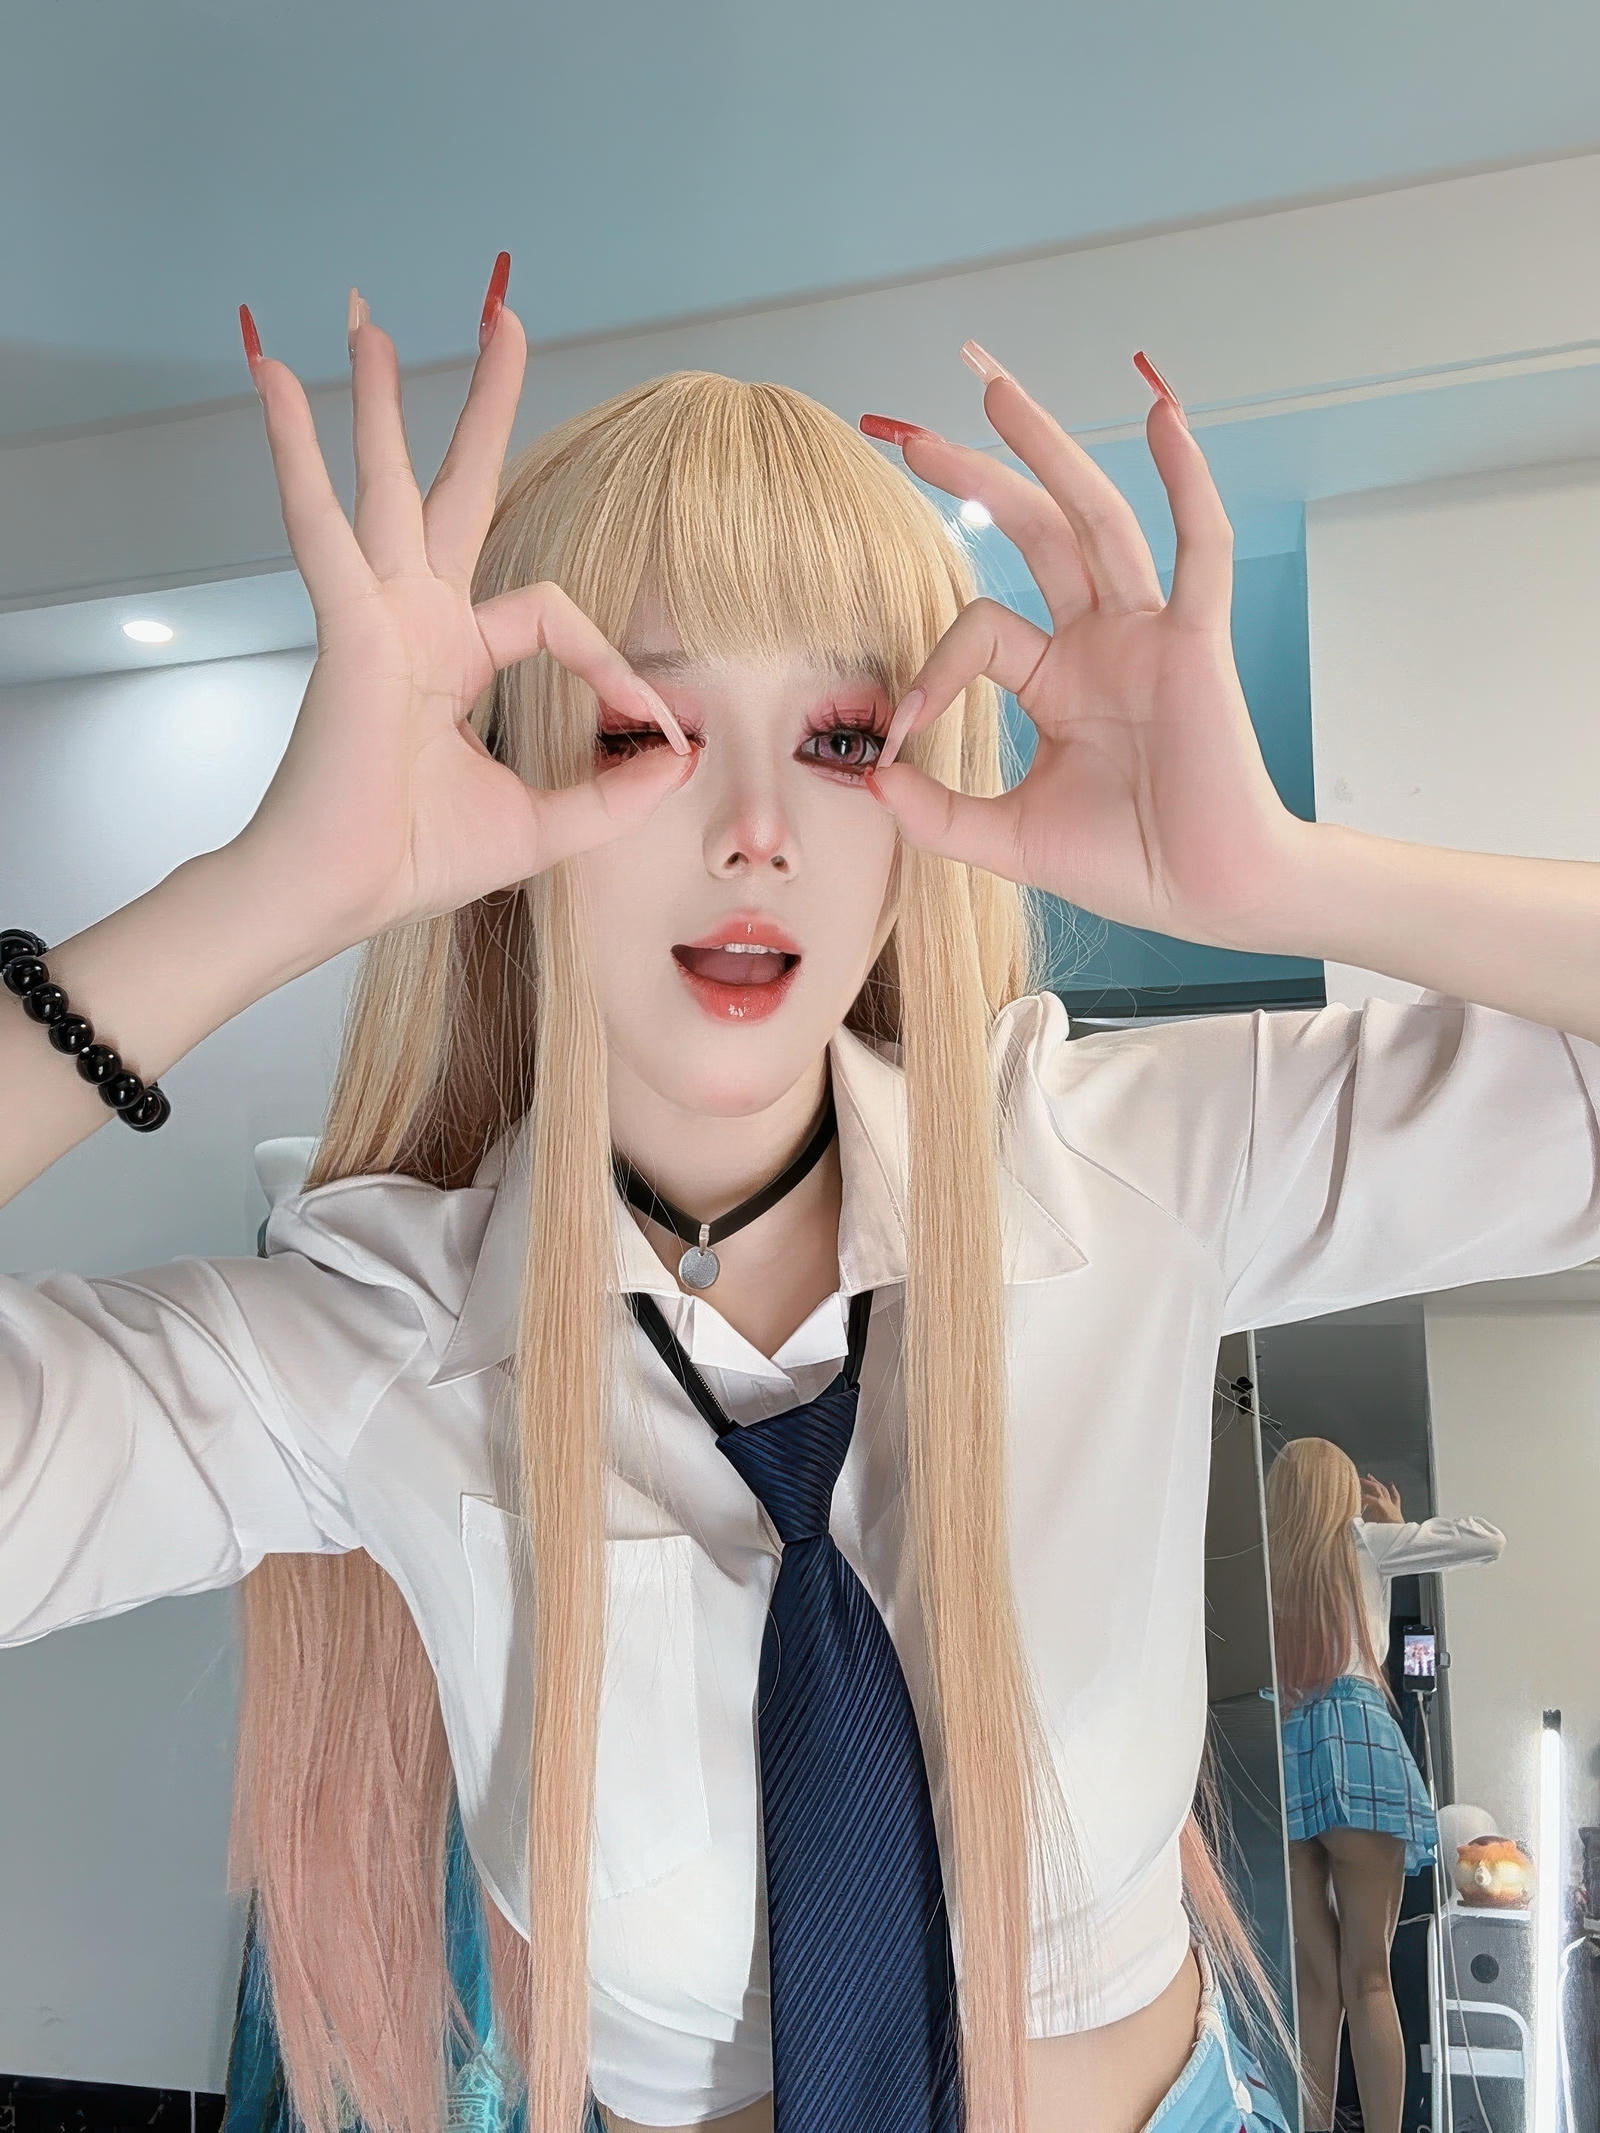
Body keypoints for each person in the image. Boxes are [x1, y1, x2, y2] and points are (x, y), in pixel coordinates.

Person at [2, 256, 1597, 2133]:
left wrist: (1291, 880)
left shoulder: (1121, 1161)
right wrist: (263, 896)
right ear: (509, 791)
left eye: (843, 737)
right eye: (641, 728)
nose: (754, 828)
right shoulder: (390, 1338)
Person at [1265, 1437, 1506, 2133]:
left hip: (1288, 1750)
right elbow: (1487, 1539)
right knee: (1369, 1975)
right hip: (1362, 1743)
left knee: (1315, 1983)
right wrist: (1394, 1520)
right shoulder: (1364, 1541)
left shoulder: (1269, 1562)